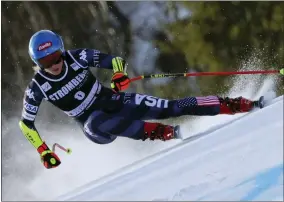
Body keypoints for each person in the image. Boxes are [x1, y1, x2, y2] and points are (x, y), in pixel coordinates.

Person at [19, 30, 259, 169]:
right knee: (97, 121)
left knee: (170, 107)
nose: (54, 65)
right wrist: (43, 151)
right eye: (45, 62)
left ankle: (237, 104)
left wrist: (119, 75)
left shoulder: (77, 57)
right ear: (37, 64)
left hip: (111, 100)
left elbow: (114, 61)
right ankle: (162, 133)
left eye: (56, 57)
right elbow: (25, 124)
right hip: (94, 125)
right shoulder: (37, 87)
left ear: (62, 51)